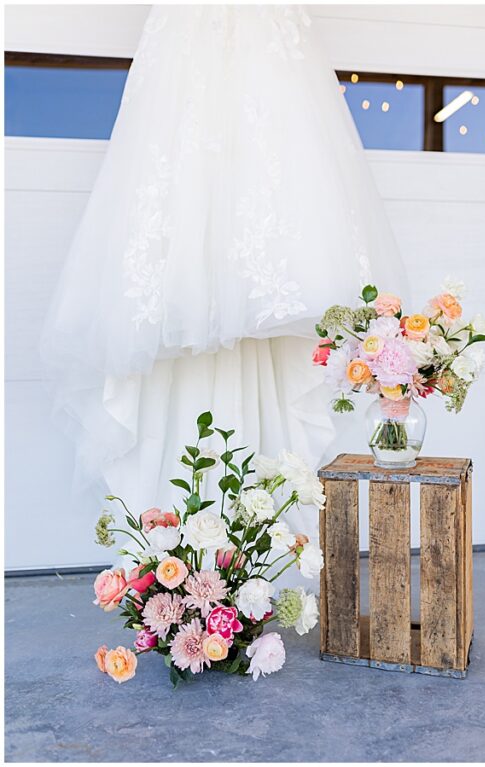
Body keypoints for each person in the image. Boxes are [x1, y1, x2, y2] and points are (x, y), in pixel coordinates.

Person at [42, 6, 407, 544]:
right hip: (191, 78)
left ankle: (253, 548)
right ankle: (173, 551)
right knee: (187, 231)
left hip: (267, 77)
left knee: (258, 302)